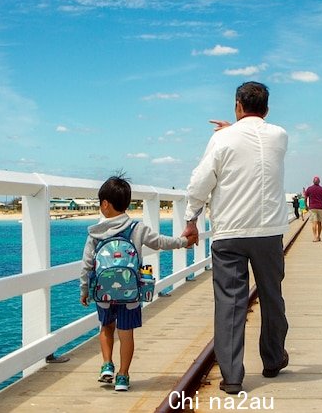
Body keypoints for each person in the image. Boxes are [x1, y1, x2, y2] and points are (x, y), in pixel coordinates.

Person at [181, 81, 289, 395]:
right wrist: (237, 129)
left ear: (237, 105)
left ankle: (231, 376)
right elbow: (256, 141)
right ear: (267, 109)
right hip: (268, 232)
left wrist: (191, 219)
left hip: (229, 233)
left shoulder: (221, 139)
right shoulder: (280, 136)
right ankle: (272, 360)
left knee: (230, 303)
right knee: (272, 297)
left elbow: (201, 181)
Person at [80, 175, 197, 392]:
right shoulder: (136, 228)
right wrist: (183, 242)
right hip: (130, 292)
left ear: (105, 204)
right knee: (126, 334)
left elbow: (87, 264)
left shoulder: (95, 233)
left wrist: (84, 289)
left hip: (103, 292)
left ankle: (107, 365)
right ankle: (123, 376)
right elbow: (161, 242)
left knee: (106, 328)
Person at [303, 176, 322, 241]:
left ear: (313, 181)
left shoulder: (309, 189)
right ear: (319, 182)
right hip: (320, 208)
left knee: (314, 223)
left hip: (312, 208)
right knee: (319, 223)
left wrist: (306, 206)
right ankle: (318, 236)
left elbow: (305, 198)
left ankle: (315, 237)